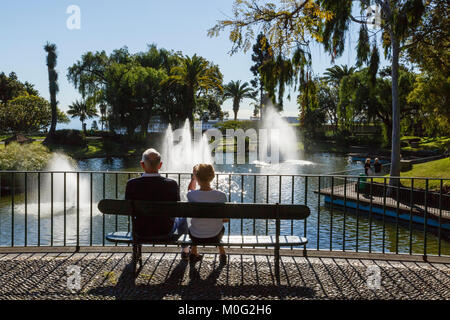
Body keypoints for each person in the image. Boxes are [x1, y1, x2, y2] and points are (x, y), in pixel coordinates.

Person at [125, 148, 190, 260]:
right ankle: (185, 250)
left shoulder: (132, 184)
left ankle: (135, 251)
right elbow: (177, 209)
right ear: (160, 165)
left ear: (142, 164)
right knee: (183, 216)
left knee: (135, 218)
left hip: (140, 231)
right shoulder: (172, 184)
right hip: (165, 231)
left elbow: (127, 209)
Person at [187, 164, 228, 264]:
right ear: (213, 176)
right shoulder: (221, 196)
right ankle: (222, 252)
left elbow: (190, 190)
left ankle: (193, 252)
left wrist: (193, 178)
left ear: (196, 177)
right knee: (218, 226)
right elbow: (226, 219)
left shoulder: (191, 195)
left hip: (195, 236)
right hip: (216, 236)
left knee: (195, 226)